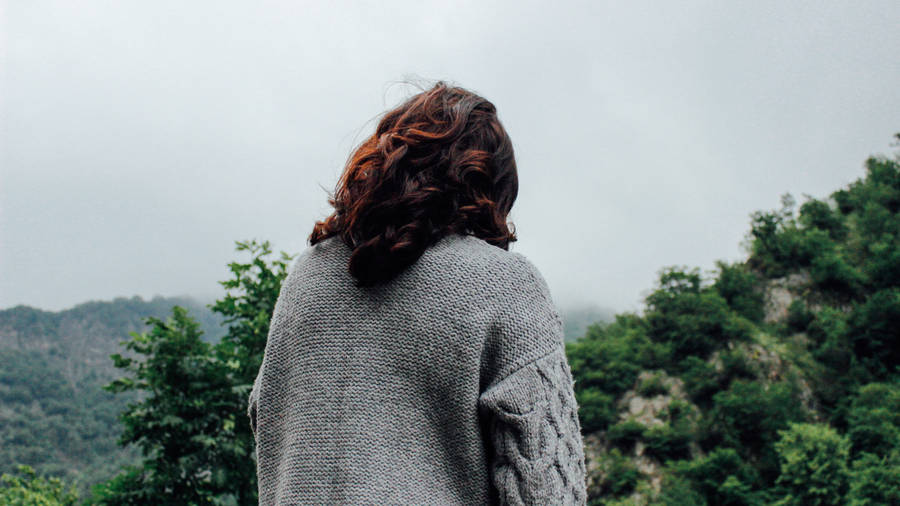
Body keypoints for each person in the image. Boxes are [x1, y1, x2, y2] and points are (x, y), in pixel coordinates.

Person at [248, 80, 588, 505]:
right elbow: (545, 489)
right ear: (492, 185)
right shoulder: (505, 283)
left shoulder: (306, 276)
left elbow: (267, 419)